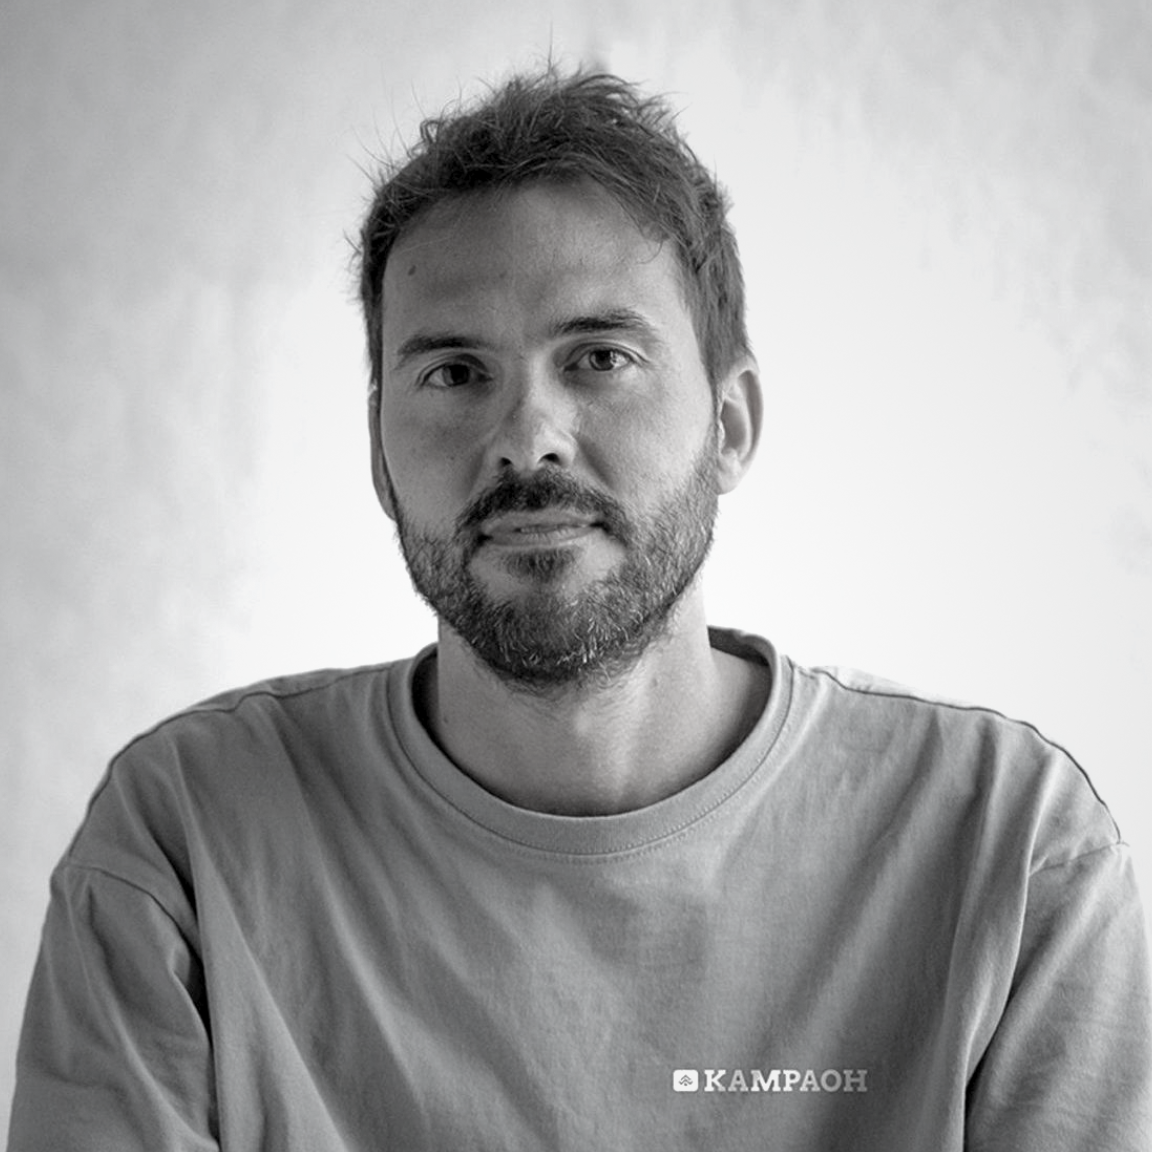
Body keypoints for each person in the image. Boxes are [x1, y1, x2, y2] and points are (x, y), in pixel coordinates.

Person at [8, 67, 1151, 1151]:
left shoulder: (1008, 848)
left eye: (599, 357)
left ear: (731, 426)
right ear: (377, 455)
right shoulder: (186, 839)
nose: (527, 439)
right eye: (454, 373)